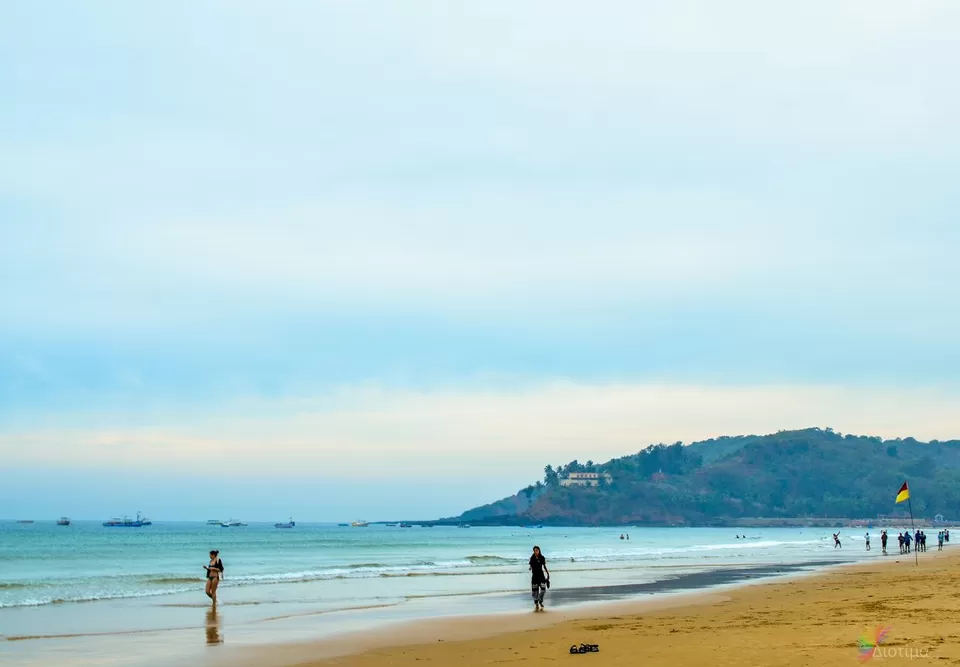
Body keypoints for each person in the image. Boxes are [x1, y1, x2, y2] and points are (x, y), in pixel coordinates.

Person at [529, 545, 550, 611]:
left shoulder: (542, 557)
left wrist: (548, 574)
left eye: (536, 550)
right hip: (534, 576)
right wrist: (530, 567)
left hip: (541, 575)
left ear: (539, 550)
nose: (535, 551)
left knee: (543, 590)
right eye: (534, 550)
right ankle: (537, 604)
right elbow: (531, 565)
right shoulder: (532, 557)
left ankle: (540, 600)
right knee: (535, 591)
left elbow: (544, 566)